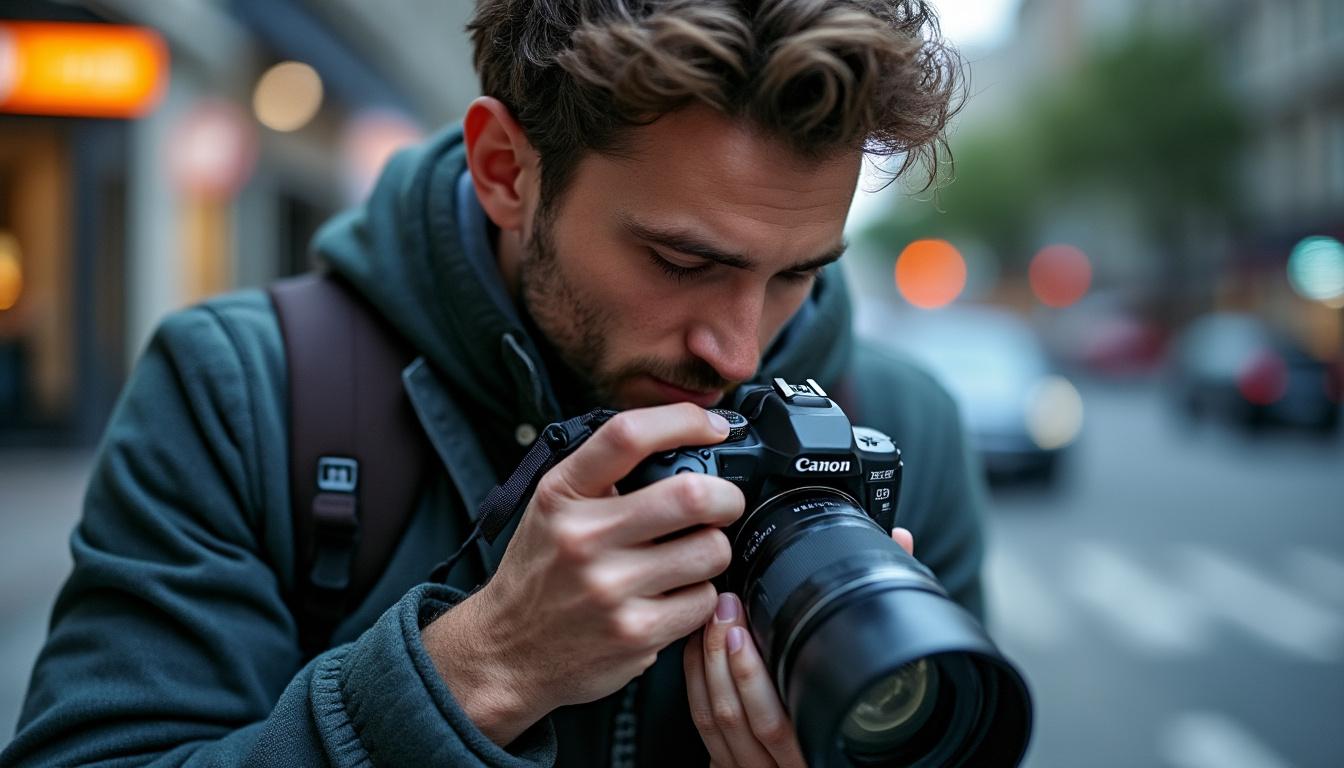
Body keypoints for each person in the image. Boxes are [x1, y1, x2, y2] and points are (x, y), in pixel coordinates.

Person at [2, 1, 987, 766]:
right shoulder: (242, 390)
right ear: (506, 169)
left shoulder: (903, 424)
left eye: (797, 274)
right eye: (682, 263)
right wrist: (482, 669)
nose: (737, 353)